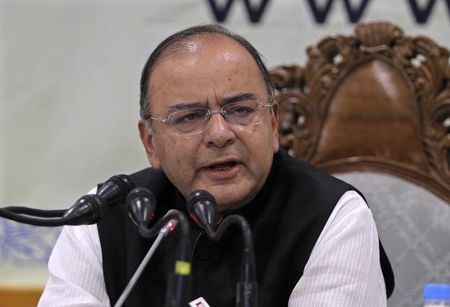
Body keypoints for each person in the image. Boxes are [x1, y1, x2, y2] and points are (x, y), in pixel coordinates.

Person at [38, 24, 394, 307]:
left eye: (240, 110)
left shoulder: (333, 216)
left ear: (273, 124)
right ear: (151, 142)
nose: (220, 134)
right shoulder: (104, 218)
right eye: (189, 117)